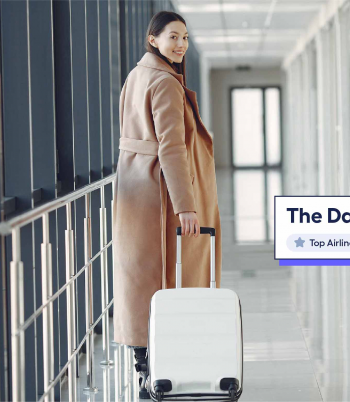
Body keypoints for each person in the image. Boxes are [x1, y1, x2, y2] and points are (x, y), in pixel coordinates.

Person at [112, 11, 223, 399]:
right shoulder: (164, 83)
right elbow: (172, 148)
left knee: (140, 278)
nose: (180, 44)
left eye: (185, 38)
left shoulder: (136, 76)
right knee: (169, 279)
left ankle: (145, 365)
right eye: (173, 36)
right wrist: (186, 206)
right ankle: (161, 364)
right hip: (160, 194)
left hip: (135, 189)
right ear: (153, 39)